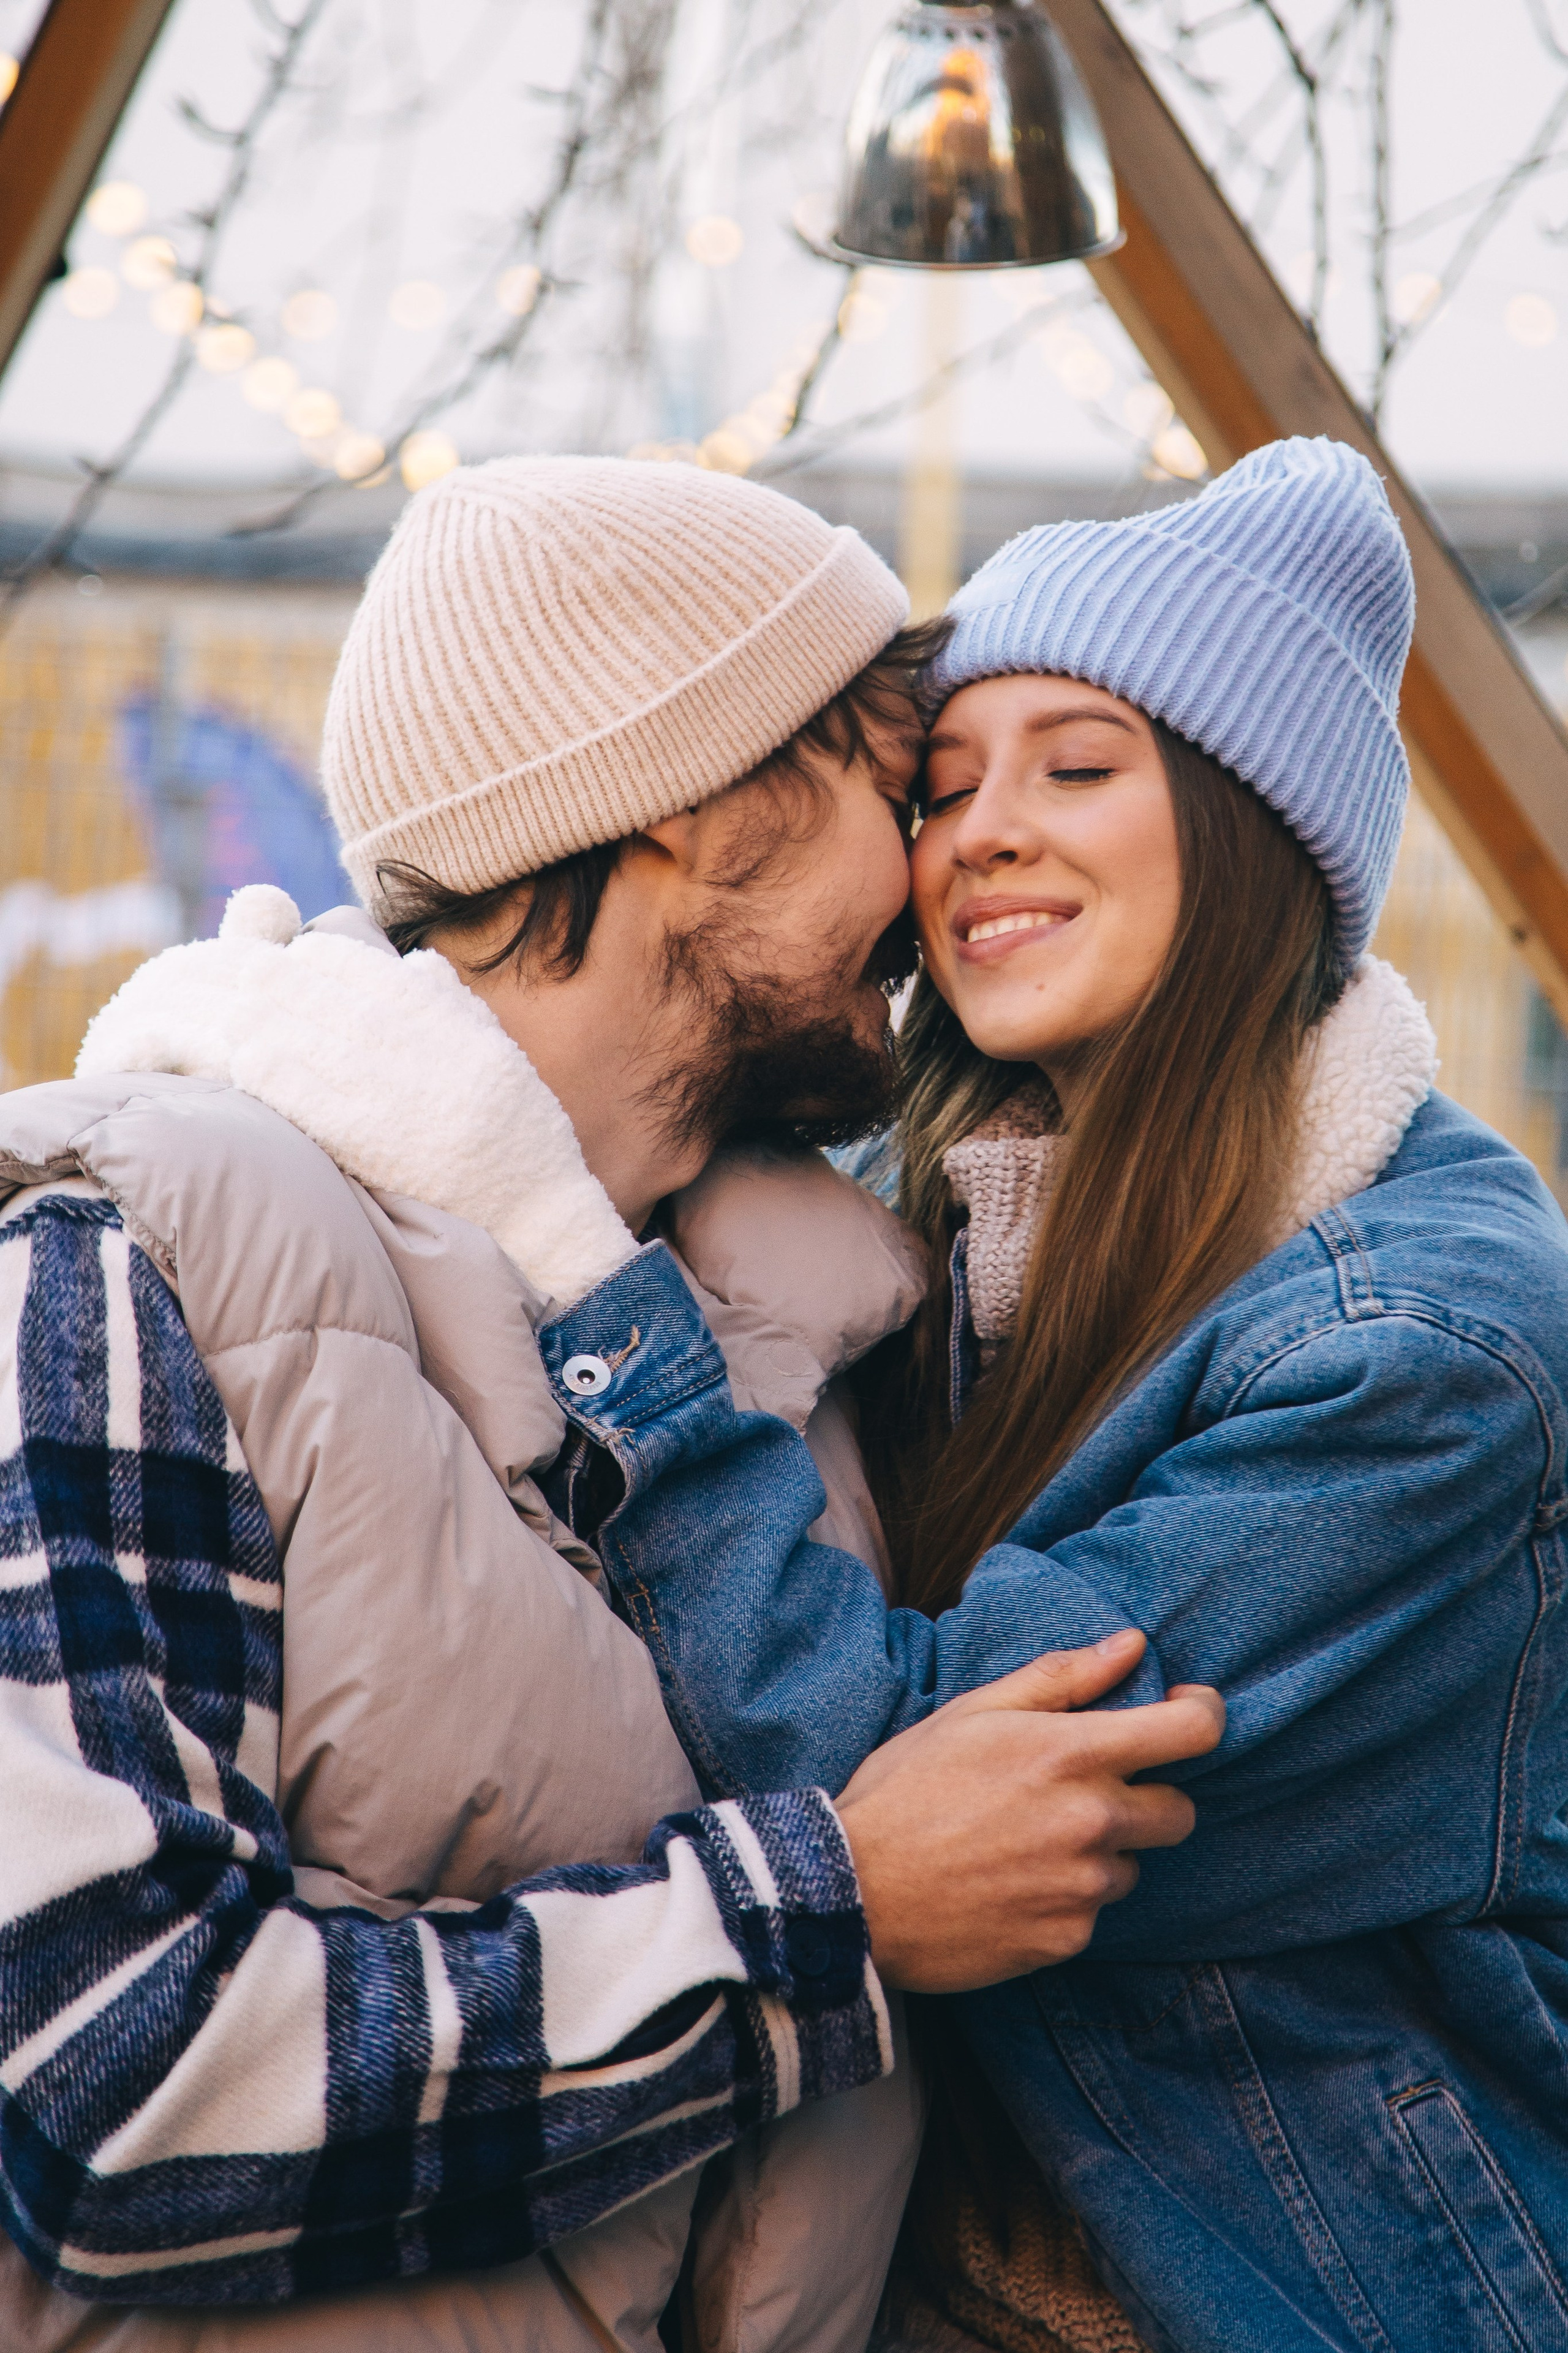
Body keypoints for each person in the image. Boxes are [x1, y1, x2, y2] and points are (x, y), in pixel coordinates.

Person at [0, 457, 1223, 2353]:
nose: (934, 876)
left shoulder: (805, 1358)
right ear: (696, 808)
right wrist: (831, 1915)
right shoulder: (130, 1255)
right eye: (892, 784)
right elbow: (105, 2093)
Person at [554, 439, 1568, 2353]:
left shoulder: (1428, 1350)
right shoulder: (938, 1238)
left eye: (1079, 766)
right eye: (946, 787)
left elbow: (905, 1765)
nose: (982, 835)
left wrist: (596, 1304)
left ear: (1255, 830)